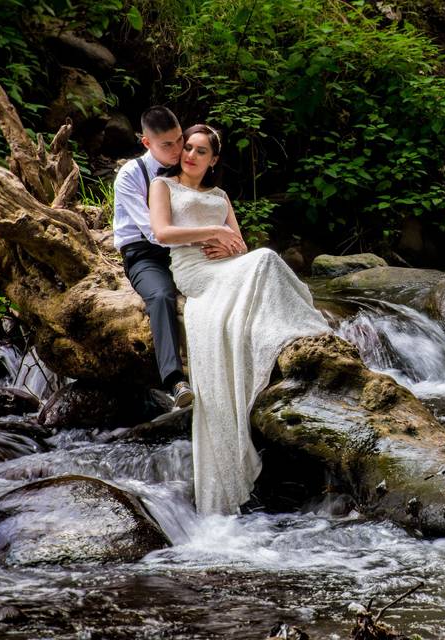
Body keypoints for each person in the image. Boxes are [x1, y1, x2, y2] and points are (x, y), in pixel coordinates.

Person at [149, 124, 330, 515]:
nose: (191, 156)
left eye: (200, 152)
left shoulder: (220, 195)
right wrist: (213, 231)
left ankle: (286, 333)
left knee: (260, 256)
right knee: (265, 259)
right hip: (195, 271)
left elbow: (240, 243)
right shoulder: (164, 186)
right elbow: (162, 233)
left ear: (213, 160)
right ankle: (299, 328)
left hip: (226, 265)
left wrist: (227, 241)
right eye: (188, 149)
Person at [113, 106, 194, 408]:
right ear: (147, 143)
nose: (177, 150)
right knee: (161, 296)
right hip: (144, 253)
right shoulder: (131, 175)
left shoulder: (187, 166)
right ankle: (175, 380)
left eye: (179, 140)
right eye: (167, 145)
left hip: (185, 249)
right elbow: (152, 231)